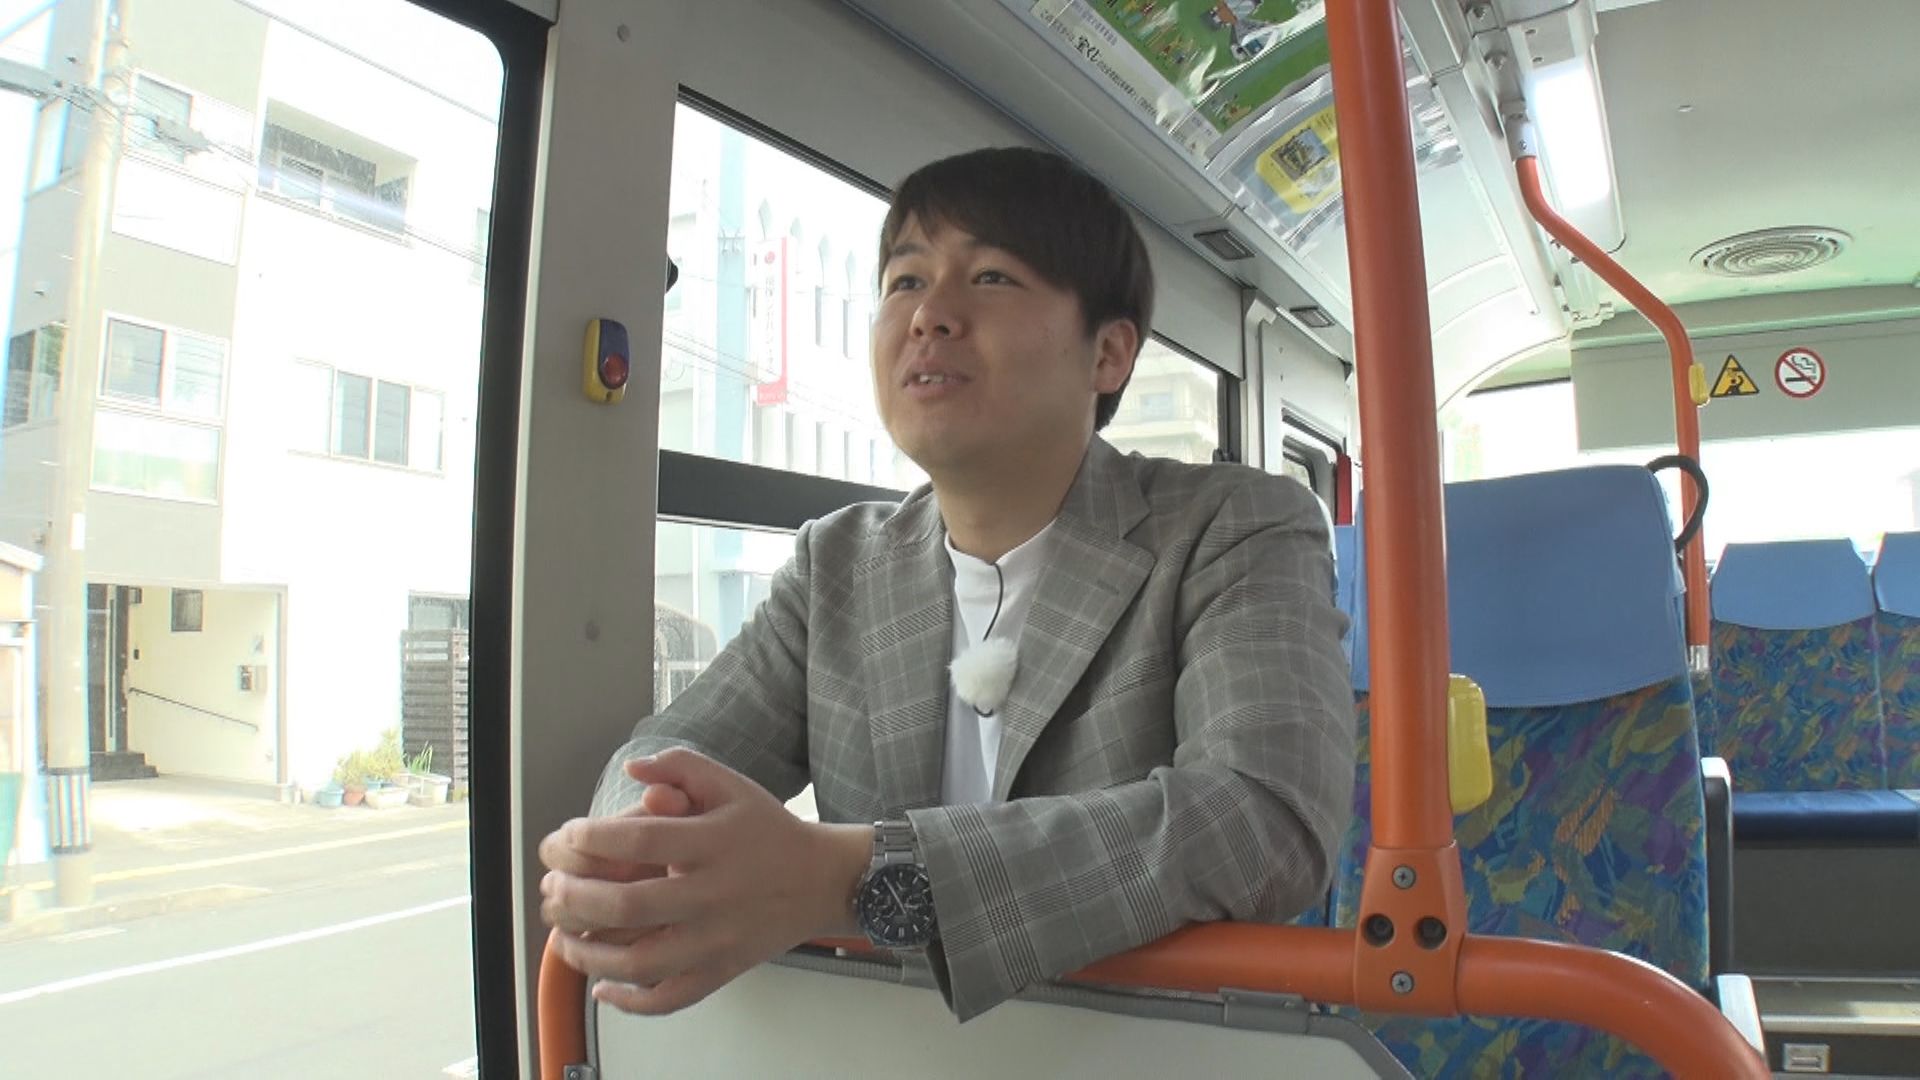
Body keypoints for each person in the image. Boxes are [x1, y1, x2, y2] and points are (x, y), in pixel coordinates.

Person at [538, 146, 1354, 1023]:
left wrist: (848, 878)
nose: (930, 314)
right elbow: (670, 750)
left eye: (992, 277)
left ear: (1109, 354)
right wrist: (639, 849)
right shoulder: (835, 566)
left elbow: (1260, 822)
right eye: (905, 281)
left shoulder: (1232, 528)